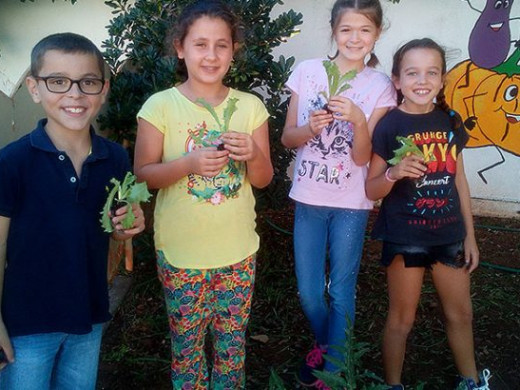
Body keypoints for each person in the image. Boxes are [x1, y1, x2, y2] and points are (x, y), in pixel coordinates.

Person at [133, 1, 273, 388]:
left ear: (233, 50)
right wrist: (187, 165)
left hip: (238, 253)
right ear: (180, 48)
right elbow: (143, 177)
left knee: (231, 350)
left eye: (221, 45)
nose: (211, 55)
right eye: (200, 44)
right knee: (187, 350)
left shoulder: (250, 107)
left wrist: (254, 155)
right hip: (181, 255)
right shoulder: (160, 106)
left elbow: (263, 180)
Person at [0, 32, 145, 390]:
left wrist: (127, 225)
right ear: (34, 88)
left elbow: (116, 226)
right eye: (58, 82)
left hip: (89, 318)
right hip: (25, 326)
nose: (75, 94)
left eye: (88, 82)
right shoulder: (12, 162)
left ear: (104, 88)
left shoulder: (114, 157)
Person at [281, 0, 395, 387]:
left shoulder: (380, 86)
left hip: (351, 204)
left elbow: (364, 156)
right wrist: (311, 127)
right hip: (309, 198)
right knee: (309, 291)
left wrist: (359, 120)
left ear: (377, 34)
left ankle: (332, 372)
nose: (354, 38)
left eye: (364, 30)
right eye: (346, 29)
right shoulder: (308, 72)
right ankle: (328, 345)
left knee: (341, 288)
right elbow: (286, 138)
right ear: (333, 30)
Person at [365, 38, 490, 390]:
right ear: (397, 80)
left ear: (442, 79)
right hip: (406, 237)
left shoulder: (450, 120)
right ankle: (393, 384)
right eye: (412, 72)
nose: (422, 80)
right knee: (402, 319)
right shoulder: (389, 126)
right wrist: (393, 172)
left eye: (431, 72)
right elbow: (371, 189)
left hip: (449, 234)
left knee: (461, 313)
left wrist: (470, 236)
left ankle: (471, 382)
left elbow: (460, 181)